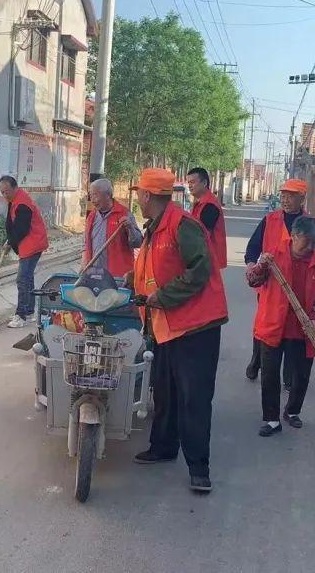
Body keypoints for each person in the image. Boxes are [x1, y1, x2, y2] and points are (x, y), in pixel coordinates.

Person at [129, 168, 228, 494]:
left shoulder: (183, 226)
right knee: (165, 392)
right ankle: (163, 446)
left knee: (194, 398)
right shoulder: (155, 228)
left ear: (146, 195)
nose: (137, 199)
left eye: (138, 194)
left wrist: (163, 296)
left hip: (195, 328)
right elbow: (148, 271)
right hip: (166, 326)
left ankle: (199, 468)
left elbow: (200, 270)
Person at [246, 216, 315, 437]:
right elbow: (253, 280)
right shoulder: (273, 255)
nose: (311, 247)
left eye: (314, 242)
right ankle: (271, 419)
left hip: (303, 329)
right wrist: (260, 265)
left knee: (301, 375)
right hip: (273, 324)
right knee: (270, 375)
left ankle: (293, 411)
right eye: (306, 241)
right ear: (293, 237)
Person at [243, 178, 315, 383]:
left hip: (299, 287)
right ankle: (257, 360)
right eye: (283, 195)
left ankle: (289, 375)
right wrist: (252, 265)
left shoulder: (310, 226)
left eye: (290, 196)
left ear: (302, 198)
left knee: (294, 331)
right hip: (271, 284)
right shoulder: (270, 220)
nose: (285, 200)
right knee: (265, 327)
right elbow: (253, 248)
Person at [0, 176, 49, 328]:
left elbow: (22, 229)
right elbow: (11, 225)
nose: (5, 195)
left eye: (7, 191)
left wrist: (10, 243)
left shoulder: (23, 204)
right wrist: (9, 240)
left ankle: (20, 315)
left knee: (22, 279)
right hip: (29, 243)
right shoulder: (14, 200)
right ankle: (29, 311)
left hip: (32, 243)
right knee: (27, 278)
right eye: (2, 192)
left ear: (15, 188)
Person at [83, 177, 142, 277]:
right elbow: (86, 244)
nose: (92, 200)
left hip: (118, 277)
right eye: (91, 195)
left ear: (107, 195)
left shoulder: (124, 213)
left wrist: (130, 228)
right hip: (94, 274)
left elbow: (138, 242)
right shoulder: (92, 216)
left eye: (95, 195)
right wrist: (84, 265)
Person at [186, 167, 228, 270]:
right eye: (188, 182)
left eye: (193, 182)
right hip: (203, 260)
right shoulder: (200, 203)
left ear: (204, 183)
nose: (190, 186)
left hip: (209, 263)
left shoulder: (210, 206)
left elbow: (201, 236)